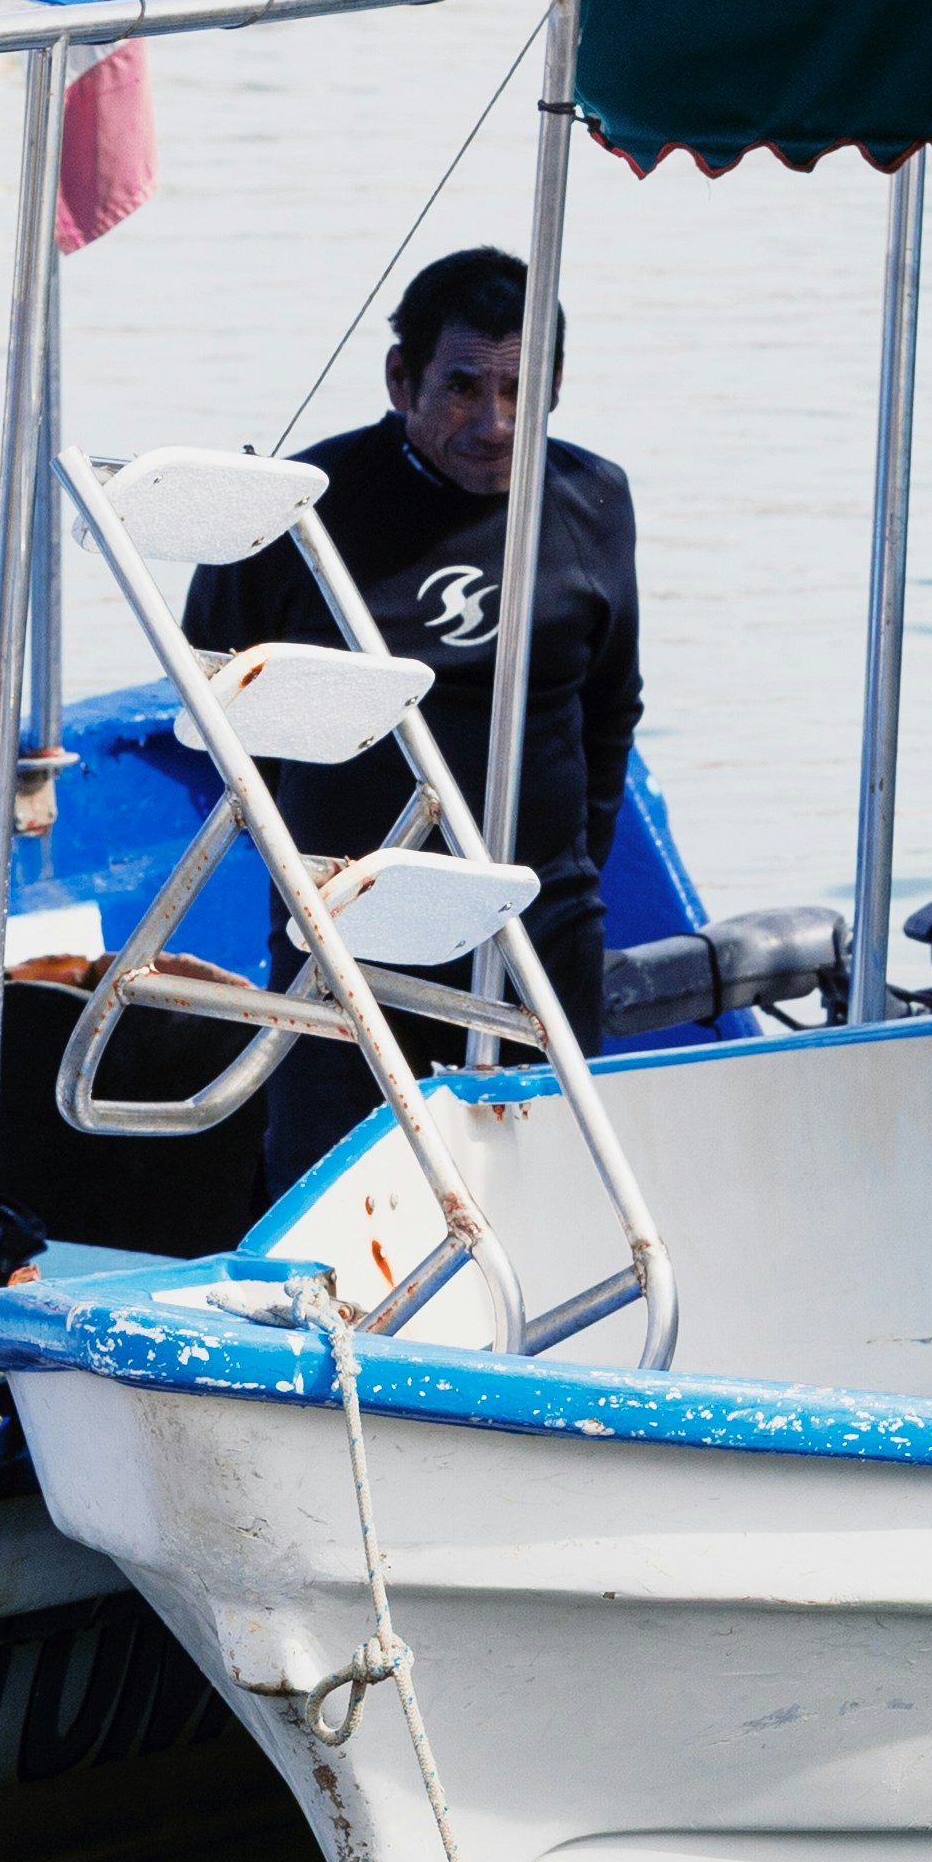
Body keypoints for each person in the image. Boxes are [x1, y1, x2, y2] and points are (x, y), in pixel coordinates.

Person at [185, 246, 642, 1194]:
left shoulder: (594, 501)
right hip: (349, 923)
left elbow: (611, 710)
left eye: (522, 390)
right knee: (331, 1200)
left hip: (538, 920)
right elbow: (217, 707)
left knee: (551, 1192)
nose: (494, 423)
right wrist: (309, 868)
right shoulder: (301, 509)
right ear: (402, 378)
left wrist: (573, 867)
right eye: (463, 386)